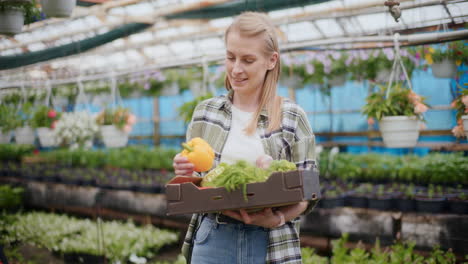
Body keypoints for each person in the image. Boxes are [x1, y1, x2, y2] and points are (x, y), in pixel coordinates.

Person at [172, 11, 317, 264]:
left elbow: (308, 191)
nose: (236, 69)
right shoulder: (205, 113)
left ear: (271, 61)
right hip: (214, 237)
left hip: (271, 240)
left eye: (248, 60)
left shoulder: (292, 117)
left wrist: (278, 219)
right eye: (231, 57)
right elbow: (197, 182)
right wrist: (184, 170)